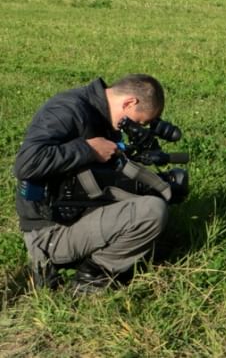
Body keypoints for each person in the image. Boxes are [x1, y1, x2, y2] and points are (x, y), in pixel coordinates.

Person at [14, 74, 170, 293]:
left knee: (155, 202)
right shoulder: (67, 110)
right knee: (152, 212)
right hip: (48, 232)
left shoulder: (100, 114)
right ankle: (90, 278)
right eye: (137, 122)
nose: (133, 129)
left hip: (76, 214)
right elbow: (26, 164)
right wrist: (89, 149)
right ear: (129, 103)